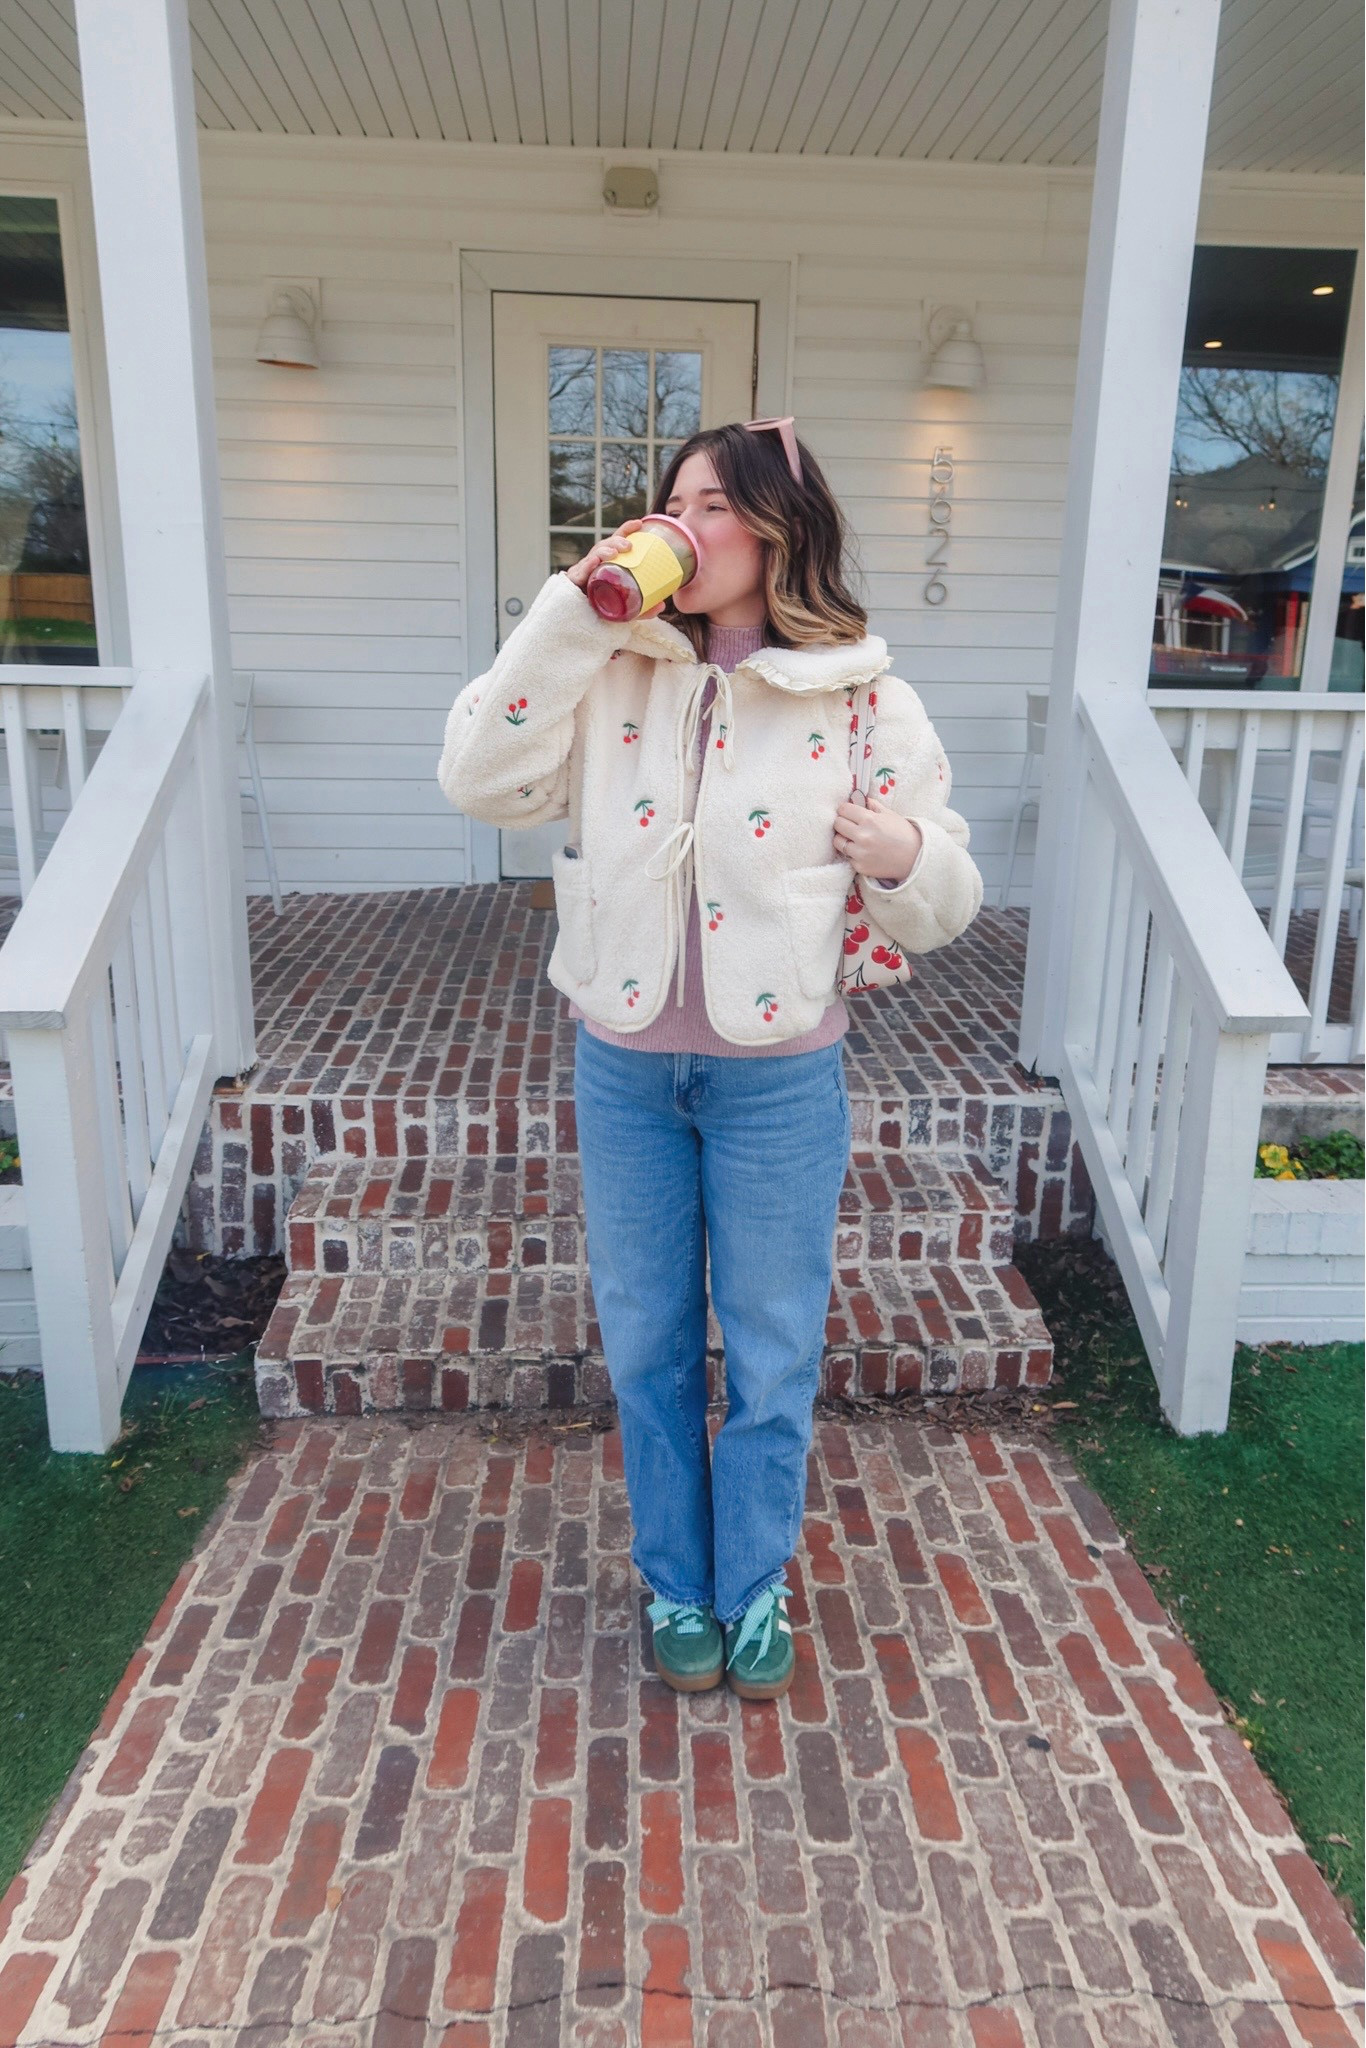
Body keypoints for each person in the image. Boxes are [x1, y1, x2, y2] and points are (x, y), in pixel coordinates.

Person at [439, 419, 981, 1701]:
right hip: (624, 1066)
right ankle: (675, 1580)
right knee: (647, 1345)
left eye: (713, 505)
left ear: (780, 528)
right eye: (669, 504)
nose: (680, 527)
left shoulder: (861, 694)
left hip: (778, 1077)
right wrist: (571, 612)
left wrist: (905, 855)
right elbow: (478, 777)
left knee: (775, 1346)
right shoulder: (608, 670)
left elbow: (946, 898)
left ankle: (754, 1581)